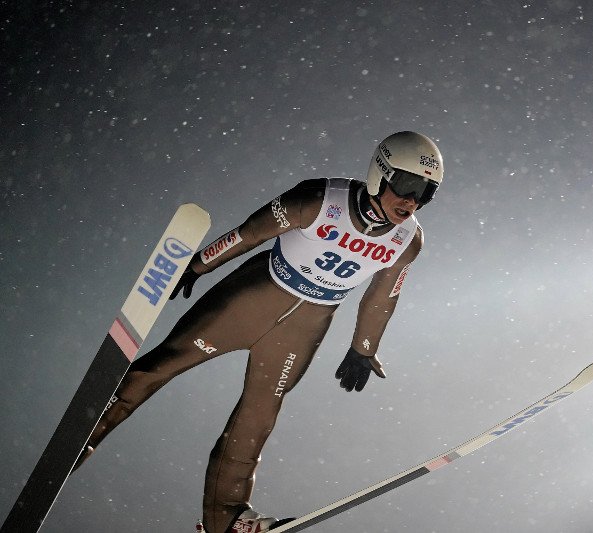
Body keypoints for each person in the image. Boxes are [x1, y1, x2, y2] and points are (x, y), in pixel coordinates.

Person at [73, 131, 444, 533]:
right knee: (162, 365)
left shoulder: (408, 240)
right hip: (250, 300)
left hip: (303, 330)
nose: (411, 201)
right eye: (407, 185)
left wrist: (363, 348)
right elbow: (251, 232)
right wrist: (200, 264)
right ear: (381, 173)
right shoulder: (320, 199)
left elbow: (382, 297)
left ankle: (226, 518)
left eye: (426, 192)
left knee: (257, 418)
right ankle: (81, 438)